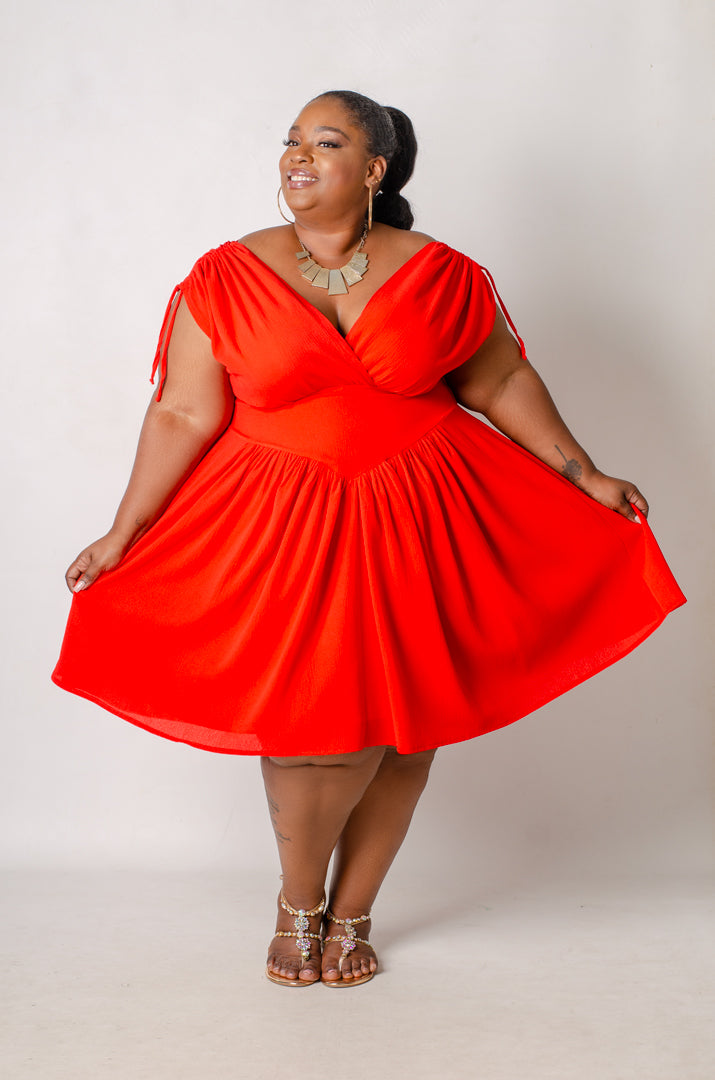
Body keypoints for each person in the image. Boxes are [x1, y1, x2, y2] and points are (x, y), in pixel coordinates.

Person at [52, 90, 685, 988]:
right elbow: (183, 411)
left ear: (374, 169)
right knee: (307, 724)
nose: (296, 156)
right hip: (281, 523)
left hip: (422, 511)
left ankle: (353, 912)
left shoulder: (444, 272)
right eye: (290, 141)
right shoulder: (223, 276)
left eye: (324, 142)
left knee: (403, 726)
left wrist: (582, 474)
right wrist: (125, 531)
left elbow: (499, 379)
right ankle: (297, 903)